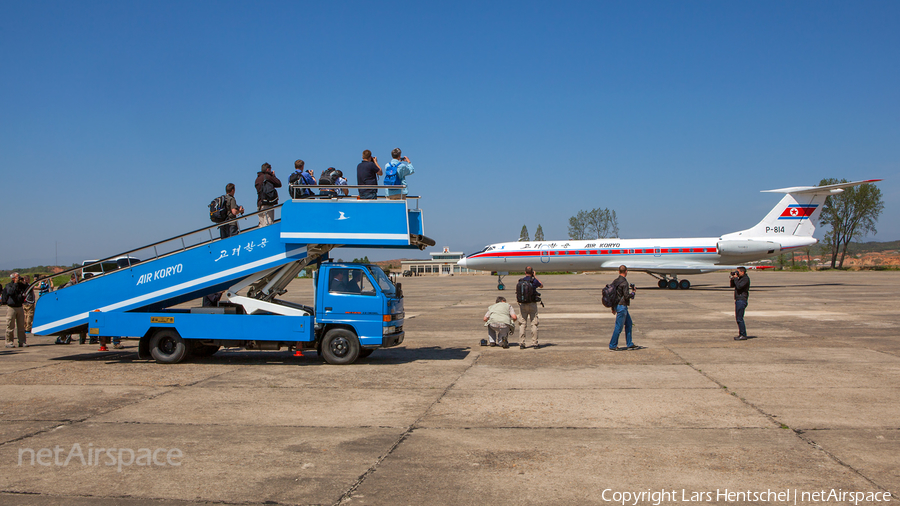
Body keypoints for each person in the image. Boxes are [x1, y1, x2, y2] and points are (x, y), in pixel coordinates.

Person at [608, 265, 640, 351]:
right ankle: (612, 345)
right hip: (622, 307)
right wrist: (633, 293)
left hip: (618, 306)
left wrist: (613, 307)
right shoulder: (624, 283)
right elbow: (626, 296)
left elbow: (613, 295)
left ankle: (629, 343)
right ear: (626, 271)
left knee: (629, 324)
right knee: (618, 327)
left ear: (619, 272)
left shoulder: (615, 281)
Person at [517, 266, 543, 349]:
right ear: (532, 272)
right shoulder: (533, 281)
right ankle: (535, 343)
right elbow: (541, 285)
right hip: (532, 304)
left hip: (523, 304)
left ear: (525, 272)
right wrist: (535, 276)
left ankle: (522, 343)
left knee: (522, 324)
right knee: (534, 324)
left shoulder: (521, 281)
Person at [3, 273, 27, 347]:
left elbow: (28, 289)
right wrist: (16, 283)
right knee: (10, 326)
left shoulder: (20, 285)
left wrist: (24, 282)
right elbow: (11, 292)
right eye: (17, 277)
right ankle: (9, 342)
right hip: (11, 307)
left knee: (21, 326)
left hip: (19, 306)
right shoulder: (9, 285)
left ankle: (22, 341)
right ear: (13, 278)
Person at [255, 162, 281, 227]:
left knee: (262, 224)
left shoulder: (257, 179)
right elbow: (279, 184)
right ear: (267, 169)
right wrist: (273, 176)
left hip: (259, 203)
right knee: (269, 223)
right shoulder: (267, 177)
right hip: (267, 203)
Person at [730, 267, 750, 340]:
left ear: (742, 272)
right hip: (738, 299)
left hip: (742, 300)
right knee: (738, 318)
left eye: (738, 272)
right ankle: (741, 334)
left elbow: (739, 286)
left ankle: (743, 334)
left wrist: (736, 279)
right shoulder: (740, 279)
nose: (737, 273)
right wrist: (733, 279)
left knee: (740, 318)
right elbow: (732, 286)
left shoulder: (745, 279)